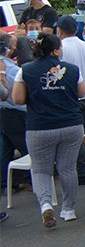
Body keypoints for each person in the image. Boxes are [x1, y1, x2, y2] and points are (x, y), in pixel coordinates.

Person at [11, 34, 85, 227]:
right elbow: (82, 93)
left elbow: (18, 99)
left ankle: (46, 205)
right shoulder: (72, 69)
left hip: (40, 127)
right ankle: (69, 209)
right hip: (71, 125)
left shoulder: (25, 70)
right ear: (55, 50)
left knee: (42, 171)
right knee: (68, 169)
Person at [55, 16, 85, 185]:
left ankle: (83, 172)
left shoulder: (61, 49)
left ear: (59, 31)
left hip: (72, 98)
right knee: (84, 133)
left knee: (76, 137)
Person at [0, 34, 30, 196]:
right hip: (15, 112)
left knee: (7, 149)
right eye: (13, 45)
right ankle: (32, 180)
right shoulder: (9, 68)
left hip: (5, 113)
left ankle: (7, 183)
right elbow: (14, 93)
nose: (14, 48)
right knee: (26, 147)